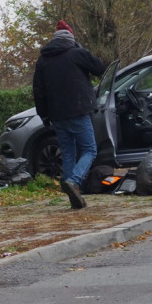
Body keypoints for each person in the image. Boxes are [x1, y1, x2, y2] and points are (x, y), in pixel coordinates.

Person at [32, 20, 106, 209]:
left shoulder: (43, 60)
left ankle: (73, 194)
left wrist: (44, 115)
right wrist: (82, 49)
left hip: (57, 115)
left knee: (67, 152)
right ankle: (74, 181)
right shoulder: (77, 53)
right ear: (71, 38)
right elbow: (100, 68)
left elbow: (38, 91)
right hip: (79, 111)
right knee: (90, 150)